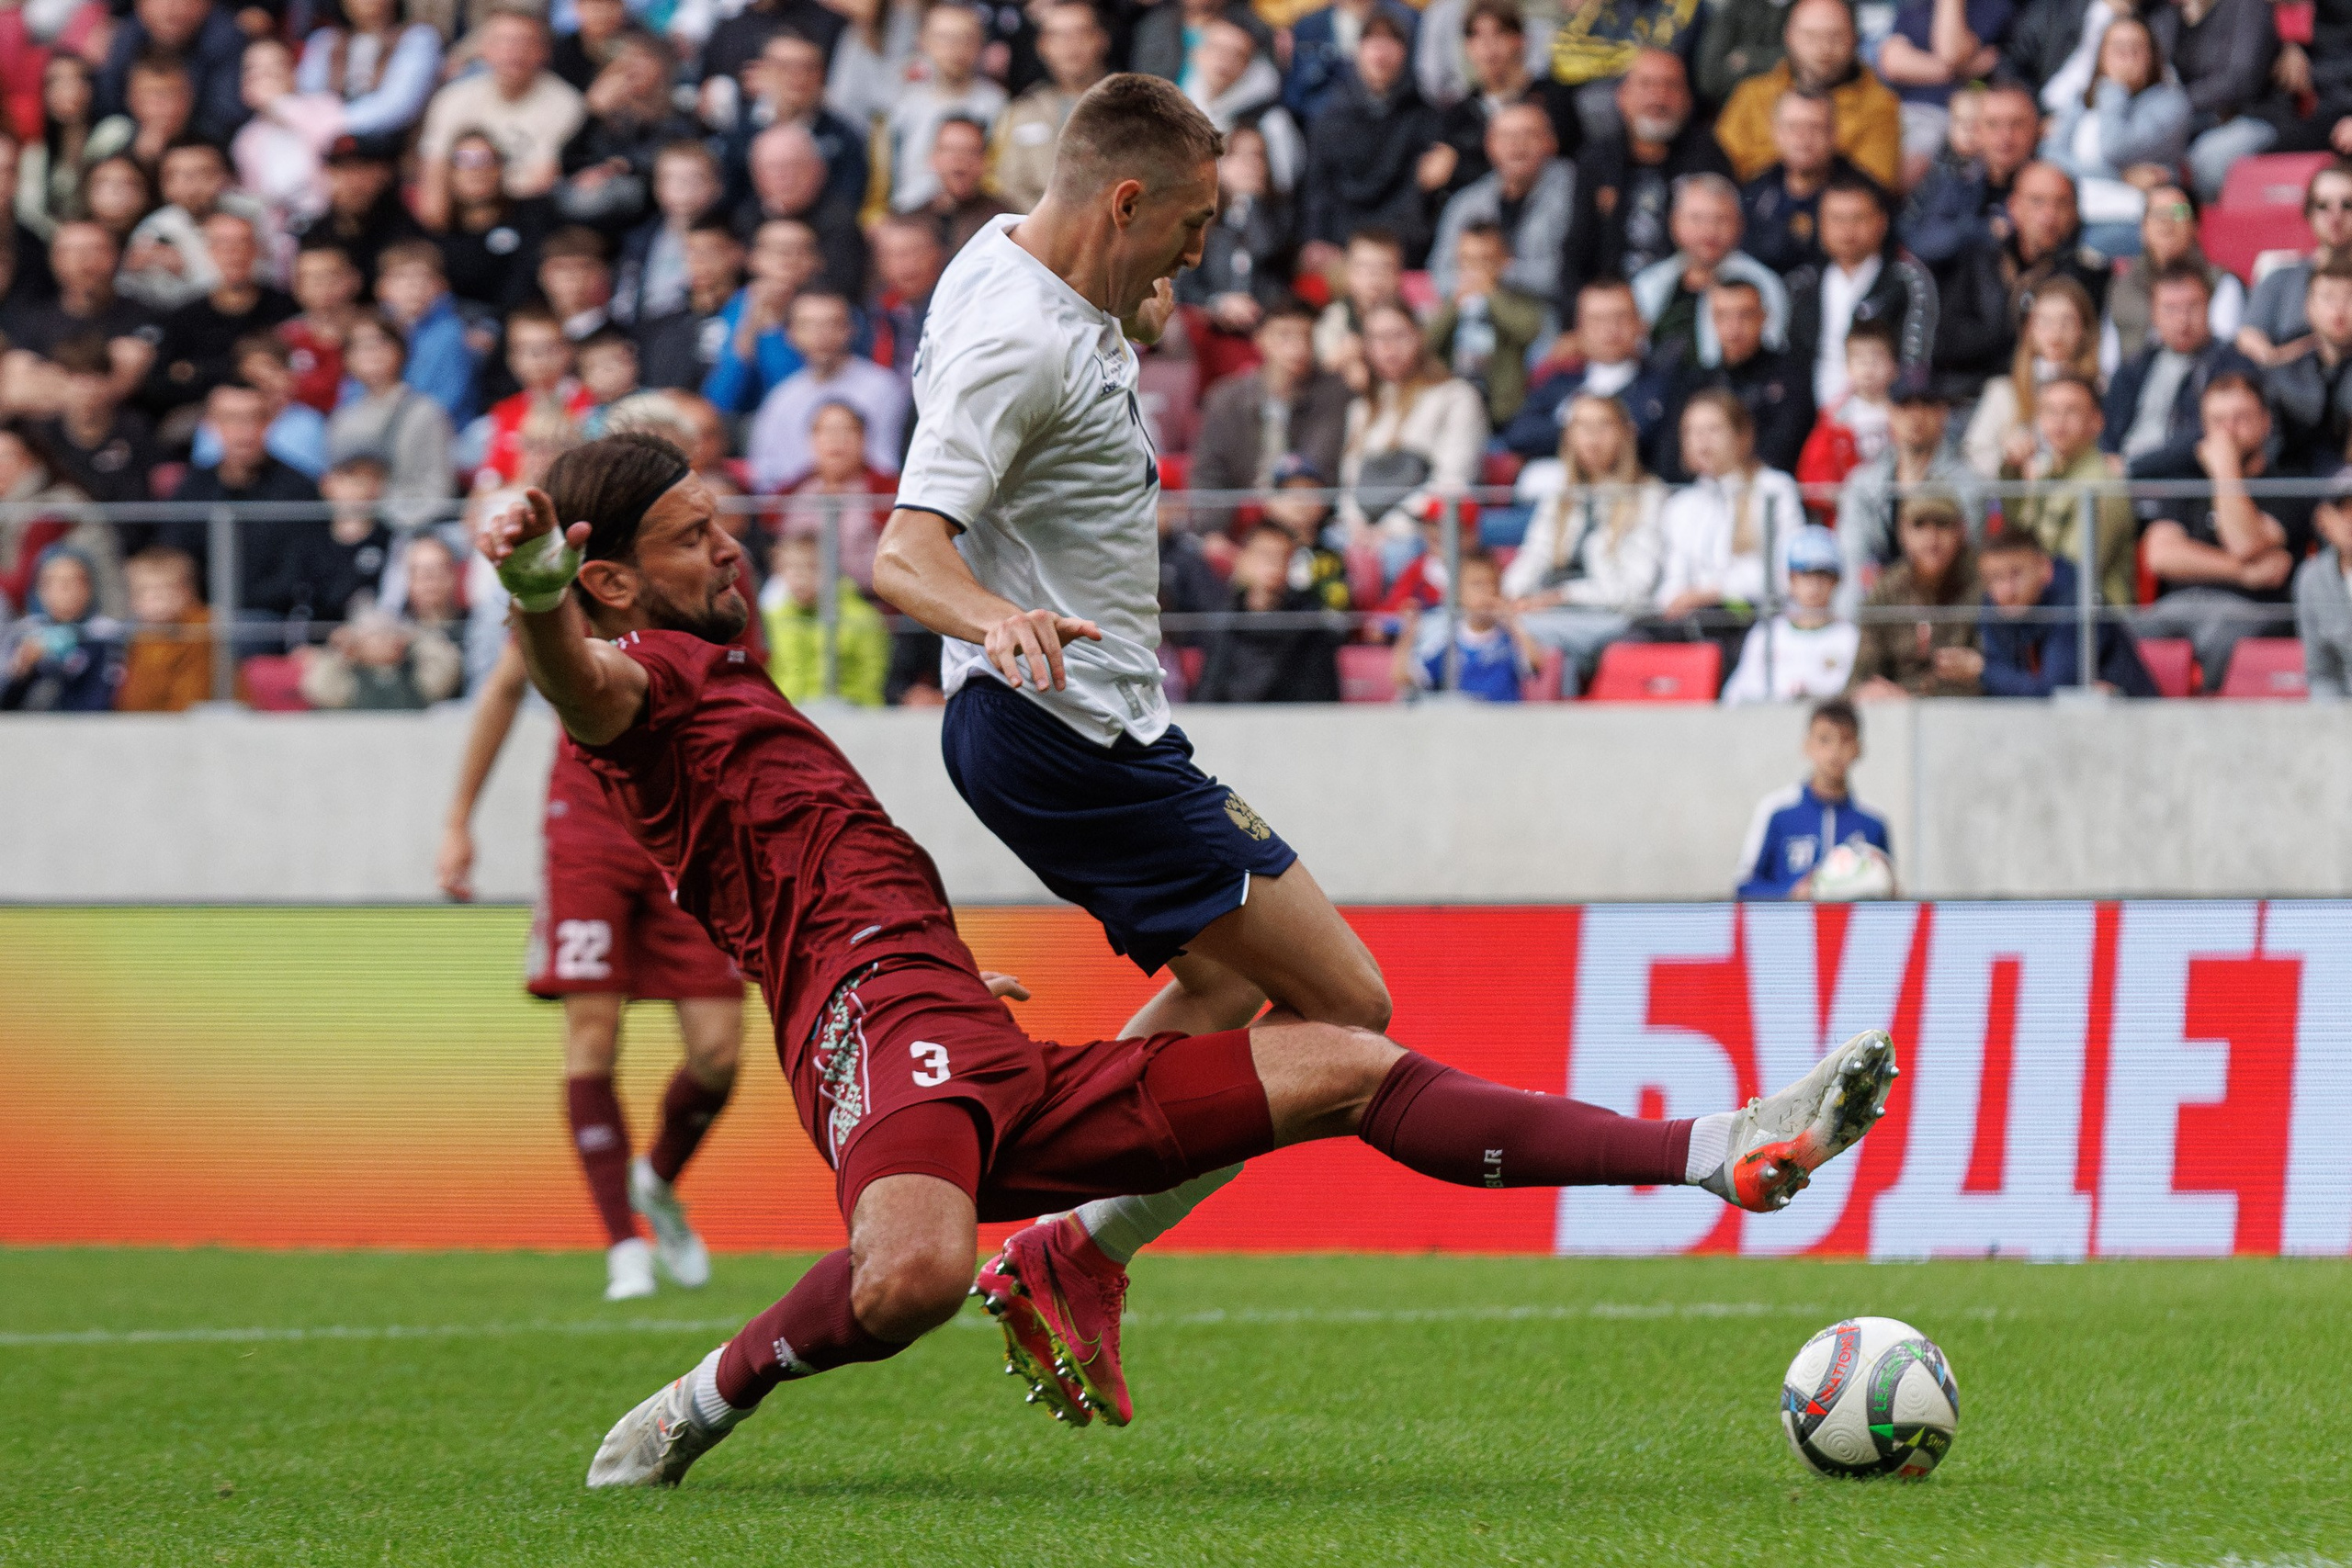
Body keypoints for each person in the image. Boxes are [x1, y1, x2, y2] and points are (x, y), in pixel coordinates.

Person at [474, 434, 1896, 1475]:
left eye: (719, 522)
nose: (726, 547)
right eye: (687, 538)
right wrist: (536, 586)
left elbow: (797, 848)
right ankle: (696, 1401)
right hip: (875, 1012)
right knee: (910, 1273)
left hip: (944, 1007)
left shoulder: (714, 670)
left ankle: (1716, 1146)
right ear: (609, 577)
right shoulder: (635, 683)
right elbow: (572, 675)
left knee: (1349, 1053)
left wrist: (949, 974)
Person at [867, 76, 1443, 1426]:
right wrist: (999, 617)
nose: (1201, 254)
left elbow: (1079, 340)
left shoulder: (1025, 265)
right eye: (1191, 225)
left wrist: (1133, 311)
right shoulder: (1021, 340)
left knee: (1222, 989)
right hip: (1070, 728)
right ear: (1124, 201)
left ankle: (1060, 1232)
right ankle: (1071, 1239)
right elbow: (903, 551)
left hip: (1081, 722)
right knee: (1347, 1008)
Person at [437, 631, 747, 1302]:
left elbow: (745, 700)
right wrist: (459, 819)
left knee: (719, 1053)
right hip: (586, 831)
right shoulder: (560, 584)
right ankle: (623, 1246)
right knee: (592, 1037)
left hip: (686, 831)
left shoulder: (702, 568)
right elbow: (504, 687)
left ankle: (656, 1181)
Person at [2133, 373, 2308, 692]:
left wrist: (2225, 469)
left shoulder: (2289, 486)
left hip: (2253, 611)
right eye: (2217, 420)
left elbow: (2244, 542)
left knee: (2222, 640)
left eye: (2241, 418)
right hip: (2178, 605)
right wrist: (2244, 573)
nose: (2228, 430)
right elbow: (2160, 556)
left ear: (2265, 422)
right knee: (2123, 634)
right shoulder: (2186, 483)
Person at [1500, 392, 1664, 692]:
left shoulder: (1648, 497)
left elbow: (1634, 590)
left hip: (1608, 616)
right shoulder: (1560, 495)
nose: (1592, 438)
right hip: (1549, 610)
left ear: (1626, 433)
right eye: (1582, 426)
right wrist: (1509, 597)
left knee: (1513, 634)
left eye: (1604, 426)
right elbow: (1534, 554)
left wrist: (1563, 595)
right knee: (1468, 624)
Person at [1932, 160, 2110, 397]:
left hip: (2044, 396)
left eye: (2061, 203)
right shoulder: (1979, 259)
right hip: (1963, 394)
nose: (2048, 215)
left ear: (2075, 212)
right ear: (2013, 206)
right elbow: (1946, 342)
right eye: (2037, 201)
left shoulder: (2088, 273)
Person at [1654, 388, 1806, 663]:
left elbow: (1784, 573)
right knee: (1635, 638)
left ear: (1742, 436)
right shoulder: (1680, 505)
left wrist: (1711, 592)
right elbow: (1672, 575)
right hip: (1690, 618)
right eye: (1691, 431)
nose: (1701, 441)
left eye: (1713, 429)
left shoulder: (1774, 488)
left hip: (1750, 614)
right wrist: (1675, 599)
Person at [1336, 299, 1489, 555]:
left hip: (1421, 534)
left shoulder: (1456, 397)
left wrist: (1391, 528)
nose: (1388, 347)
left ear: (1419, 337)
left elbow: (1452, 481)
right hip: (1360, 535)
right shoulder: (1361, 409)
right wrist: (1357, 526)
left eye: (1398, 335)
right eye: (1376, 338)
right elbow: (1349, 484)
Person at [414, 7, 585, 231]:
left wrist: (478, 184)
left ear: (543, 51)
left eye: (524, 42)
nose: (513, 52)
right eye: (503, 41)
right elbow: (434, 170)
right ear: (484, 49)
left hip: (526, 217)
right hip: (460, 216)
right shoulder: (452, 98)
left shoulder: (566, 103)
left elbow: (541, 181)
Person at [1190, 297, 1351, 529]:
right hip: (1239, 522)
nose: (1297, 347)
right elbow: (1209, 473)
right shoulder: (1226, 399)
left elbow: (1320, 463)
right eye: (1284, 335)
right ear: (1260, 339)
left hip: (1310, 520)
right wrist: (1211, 535)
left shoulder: (1333, 393)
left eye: (1306, 336)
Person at [1784, 172, 1938, 414]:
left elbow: (1915, 362)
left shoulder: (1906, 280)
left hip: (1885, 415)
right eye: (1836, 219)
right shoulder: (1801, 284)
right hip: (1813, 423)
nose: (1847, 231)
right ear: (1820, 225)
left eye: (1858, 218)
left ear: (1882, 222)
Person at [2033, 14, 2188, 254]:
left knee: (2088, 248)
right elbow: (2050, 156)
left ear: (2153, 56)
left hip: (2130, 219)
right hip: (2074, 212)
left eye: (2137, 48)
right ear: (2101, 55)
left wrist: (2115, 89)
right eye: (2118, 48)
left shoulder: (2171, 103)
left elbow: (2115, 148)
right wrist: (2120, 177)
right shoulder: (2082, 100)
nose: (2127, 56)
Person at [1716, 0, 1903, 192]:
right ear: (1788, 36)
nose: (1823, 49)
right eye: (1810, 36)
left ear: (1855, 39)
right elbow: (1719, 170)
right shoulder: (1752, 94)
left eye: (1835, 37)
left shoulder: (1880, 105)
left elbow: (1872, 193)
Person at [1299, 11, 1442, 262]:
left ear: (1406, 54)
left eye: (1392, 41)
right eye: (1372, 40)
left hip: (1405, 249)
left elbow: (1420, 199)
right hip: (1340, 248)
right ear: (1357, 52)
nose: (1381, 52)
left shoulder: (1426, 118)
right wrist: (1317, 239)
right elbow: (1317, 188)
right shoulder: (1329, 118)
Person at [1835, 368, 1981, 604]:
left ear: (1942, 413)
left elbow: (1967, 564)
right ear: (1891, 413)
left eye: (1926, 405)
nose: (1916, 416)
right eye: (1905, 406)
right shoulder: (1862, 483)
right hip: (1881, 604)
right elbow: (1852, 561)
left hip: (1946, 604)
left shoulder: (1968, 485)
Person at [746, 290, 908, 491]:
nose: (821, 335)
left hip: (871, 512)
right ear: (790, 334)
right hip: (795, 515)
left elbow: (888, 468)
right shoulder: (780, 398)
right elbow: (765, 476)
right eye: (809, 325)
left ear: (851, 329)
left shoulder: (885, 388)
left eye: (832, 324)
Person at [1652, 279, 1813, 480]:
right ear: (1711, 320)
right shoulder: (1695, 382)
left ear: (1764, 317)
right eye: (1723, 316)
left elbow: (1784, 448)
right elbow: (1670, 454)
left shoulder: (1791, 377)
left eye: (1745, 315)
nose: (1734, 328)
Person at [2102, 263, 2256, 470]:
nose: (2182, 319)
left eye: (2192, 306)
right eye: (2170, 309)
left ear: (2209, 306)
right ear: (2153, 314)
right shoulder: (2133, 368)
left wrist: (2132, 467)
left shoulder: (2232, 366)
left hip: (2186, 485)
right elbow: (2107, 434)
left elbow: (2206, 435)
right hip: (2121, 484)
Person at [2000, 372, 2136, 609]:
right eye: (2050, 411)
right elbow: (2017, 536)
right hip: (2049, 607)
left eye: (2072, 411)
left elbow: (2075, 572)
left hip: (2093, 621)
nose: (2059, 421)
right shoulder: (2045, 474)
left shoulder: (2103, 485)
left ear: (2097, 421)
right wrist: (2011, 472)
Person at [1967, 527, 2155, 695]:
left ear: (2044, 567)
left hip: (2133, 722)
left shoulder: (2076, 603)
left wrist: (1984, 670)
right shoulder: (1996, 605)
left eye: (2016, 574)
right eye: (1994, 578)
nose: (2007, 590)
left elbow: (2052, 693)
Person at [1629, 175, 1788, 373]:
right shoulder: (1649, 282)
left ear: (1740, 225)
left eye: (1720, 219)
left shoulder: (1761, 284)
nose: (1709, 231)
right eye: (1697, 218)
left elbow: (1770, 354)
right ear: (1674, 223)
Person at [1501, 278, 1674, 460]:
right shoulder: (1560, 379)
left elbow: (1647, 436)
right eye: (1597, 319)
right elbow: (1519, 434)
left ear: (1641, 324)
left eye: (1621, 317)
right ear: (1578, 329)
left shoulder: (1663, 385)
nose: (1610, 329)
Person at [1735, 697, 1891, 898]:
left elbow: (1888, 892)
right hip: (1790, 929)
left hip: (1851, 930)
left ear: (1858, 749)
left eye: (1845, 740)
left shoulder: (1874, 821)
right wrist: (1790, 893)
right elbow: (1743, 887)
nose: (1834, 752)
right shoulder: (1777, 811)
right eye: (1824, 740)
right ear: (1807, 745)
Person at [1426, 101, 1572, 307]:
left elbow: (1570, 273)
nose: (1516, 145)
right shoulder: (1466, 203)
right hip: (1477, 315)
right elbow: (1439, 272)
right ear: (1489, 146)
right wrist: (1475, 286)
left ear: (1550, 142)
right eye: (1505, 137)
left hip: (1549, 317)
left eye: (1528, 134)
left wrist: (1502, 275)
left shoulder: (1574, 193)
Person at [1962, 274, 2098, 479]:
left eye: (2067, 321)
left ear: (2084, 329)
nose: (2056, 332)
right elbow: (1976, 454)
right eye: (2044, 321)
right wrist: (2008, 460)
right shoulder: (2003, 392)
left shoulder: (2100, 390)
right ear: (2029, 330)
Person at [1847, 492, 1984, 698]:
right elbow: (1860, 678)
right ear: (1902, 533)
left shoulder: (1983, 585)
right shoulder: (1887, 590)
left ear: (1961, 530)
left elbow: (2009, 676)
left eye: (1942, 525)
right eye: (1919, 526)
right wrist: (1868, 692)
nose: (1932, 538)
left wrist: (1984, 670)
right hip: (1896, 715)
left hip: (1967, 714)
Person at [2145, 0, 2281, 205]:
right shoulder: (2168, 15)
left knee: (2206, 162)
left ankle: (2200, 228)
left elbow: (2240, 81)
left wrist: (2176, 103)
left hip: (2248, 117)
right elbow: (2155, 72)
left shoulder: (2248, 7)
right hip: (2190, 121)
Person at [1194, 520, 1344, 702]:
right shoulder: (1224, 621)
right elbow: (1208, 694)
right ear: (1243, 559)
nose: (1274, 565)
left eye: (1283, 557)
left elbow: (1320, 698)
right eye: (1265, 556)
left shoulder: (1309, 625)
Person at [2100, 184, 2243, 373]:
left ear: (2195, 226)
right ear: (2143, 229)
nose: (2166, 221)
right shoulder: (2122, 287)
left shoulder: (2221, 282)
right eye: (2157, 213)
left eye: (2178, 212)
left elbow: (2225, 352)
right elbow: (2108, 361)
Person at [881, 4, 1006, 215]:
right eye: (943, 38)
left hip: (976, 219)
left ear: (981, 45)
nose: (953, 48)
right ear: (922, 41)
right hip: (910, 219)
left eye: (965, 38)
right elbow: (883, 178)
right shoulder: (901, 105)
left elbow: (1000, 176)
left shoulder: (998, 105)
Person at [1872, 0, 2011, 190]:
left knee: (1912, 165)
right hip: (1895, 108)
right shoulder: (1916, 6)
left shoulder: (1992, 6)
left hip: (1947, 112)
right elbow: (1892, 63)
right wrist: (1962, 71)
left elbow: (1951, 52)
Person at [1718, 523, 1858, 705]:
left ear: (1836, 581)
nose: (1814, 585)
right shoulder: (1766, 634)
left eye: (1823, 574)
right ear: (1791, 579)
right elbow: (1736, 694)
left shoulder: (1850, 637)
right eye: (1804, 574)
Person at [1424, 221, 1546, 424]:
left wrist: (1491, 296)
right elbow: (1424, 346)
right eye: (1466, 260)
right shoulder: (1448, 303)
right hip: (1453, 409)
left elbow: (1529, 331)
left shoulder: (1517, 299)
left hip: (1502, 413)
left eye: (1485, 260)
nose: (1474, 269)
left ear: (1503, 261)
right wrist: (1453, 306)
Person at [989, 2, 1107, 212]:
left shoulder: (1131, 106)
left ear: (1101, 39)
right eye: (1059, 36)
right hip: (1034, 231)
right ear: (1042, 46)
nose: (1071, 45)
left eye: (1081, 33)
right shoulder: (1021, 111)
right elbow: (1007, 184)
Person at [2237, 162, 2352, 370]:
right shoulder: (2281, 277)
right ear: (2309, 213)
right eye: (2323, 205)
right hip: (2291, 391)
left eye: (2347, 205)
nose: (2335, 216)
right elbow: (2248, 338)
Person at [427, 131, 555, 312]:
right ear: (449, 172)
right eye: (464, 160)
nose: (476, 169)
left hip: (527, 321)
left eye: (486, 159)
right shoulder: (438, 233)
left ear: (501, 167)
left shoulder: (534, 213)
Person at [779, 399, 898, 592]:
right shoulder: (792, 492)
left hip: (872, 601)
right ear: (811, 439)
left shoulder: (889, 492)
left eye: (847, 430)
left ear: (864, 438)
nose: (836, 439)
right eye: (826, 431)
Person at [703, 218, 818, 415]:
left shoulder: (829, 312)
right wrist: (750, 324)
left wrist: (772, 327)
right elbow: (719, 401)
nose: (788, 258)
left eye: (799, 250)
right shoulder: (734, 308)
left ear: (816, 261)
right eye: (776, 249)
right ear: (754, 258)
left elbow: (797, 400)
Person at [760, 529, 888, 705]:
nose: (800, 577)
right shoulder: (772, 618)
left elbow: (871, 680)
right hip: (788, 716)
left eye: (812, 567)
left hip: (850, 719)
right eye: (790, 567)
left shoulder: (863, 617)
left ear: (832, 569)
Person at [1736, 91, 1857, 278]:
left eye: (1815, 127)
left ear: (1833, 133)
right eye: (1793, 127)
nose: (1803, 138)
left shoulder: (1861, 196)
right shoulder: (1756, 193)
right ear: (1775, 132)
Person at [35, 333, 160, 509]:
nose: (89, 388)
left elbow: (157, 489)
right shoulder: (41, 435)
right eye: (77, 377)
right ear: (59, 380)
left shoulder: (135, 427)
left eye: (96, 376)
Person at [295, 0, 442, 146]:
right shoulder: (325, 40)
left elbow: (397, 107)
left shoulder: (417, 38)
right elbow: (306, 94)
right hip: (321, 146)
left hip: (384, 147)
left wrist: (334, 123)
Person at [479, 306, 595, 489]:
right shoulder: (505, 411)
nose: (538, 359)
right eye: (525, 349)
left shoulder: (590, 404)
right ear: (511, 358)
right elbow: (489, 479)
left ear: (568, 351)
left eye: (547, 348)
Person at [1794, 318, 1901, 514]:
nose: (1868, 368)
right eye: (1859, 359)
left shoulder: (1905, 415)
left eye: (1876, 359)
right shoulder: (1833, 420)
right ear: (1847, 368)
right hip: (1848, 513)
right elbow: (1814, 476)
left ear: (1894, 366)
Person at [1396, 547, 1532, 700]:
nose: (1487, 591)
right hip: (1463, 720)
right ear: (1458, 593)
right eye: (1477, 584)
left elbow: (1535, 664)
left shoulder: (1509, 638)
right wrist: (1408, 634)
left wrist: (1513, 622)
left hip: (1505, 719)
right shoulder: (1448, 641)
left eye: (1493, 583)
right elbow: (1404, 678)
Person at [613, 141, 723, 327]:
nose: (683, 190)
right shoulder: (639, 239)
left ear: (716, 186)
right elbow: (626, 301)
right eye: (671, 179)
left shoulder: (728, 239)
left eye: (694, 180)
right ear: (657, 187)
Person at [0, 544, 122, 712]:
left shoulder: (106, 634)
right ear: (37, 589)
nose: (63, 589)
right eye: (50, 582)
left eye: (74, 580)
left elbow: (102, 701)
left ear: (90, 587)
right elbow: (7, 703)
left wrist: (75, 654)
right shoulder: (24, 633)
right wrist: (22, 672)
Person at [374, 240, 481, 425]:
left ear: (441, 286)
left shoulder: (450, 334)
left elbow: (446, 401)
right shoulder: (372, 329)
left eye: (424, 278)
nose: (414, 286)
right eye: (401, 277)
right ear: (382, 287)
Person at [634, 220, 744, 394]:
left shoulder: (750, 311)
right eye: (690, 253)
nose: (698, 262)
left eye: (709, 253)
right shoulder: (666, 322)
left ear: (736, 254)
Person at [2266, 256, 2352, 476]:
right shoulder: (2282, 377)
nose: (2339, 310)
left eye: (2350, 297)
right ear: (2308, 307)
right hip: (2294, 493)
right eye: (2328, 298)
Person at [114, 544, 213, 711]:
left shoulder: (204, 631)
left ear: (187, 592)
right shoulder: (131, 641)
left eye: (167, 588)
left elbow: (194, 699)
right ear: (133, 600)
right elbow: (130, 703)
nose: (157, 598)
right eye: (145, 591)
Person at [918, 115, 1012, 258]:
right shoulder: (914, 222)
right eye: (950, 150)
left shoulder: (1004, 222)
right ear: (933, 158)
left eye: (970, 151)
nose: (959, 159)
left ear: (985, 161)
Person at [2295, 469, 2352, 699]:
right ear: (2323, 519)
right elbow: (2322, 674)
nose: (2350, 517)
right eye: (2342, 508)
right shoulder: (2313, 578)